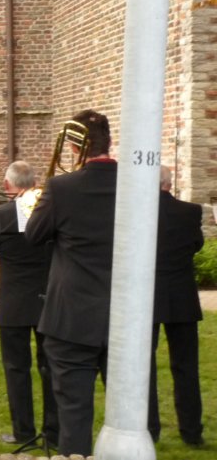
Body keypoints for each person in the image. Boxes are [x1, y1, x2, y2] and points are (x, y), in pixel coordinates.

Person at [25, 109, 115, 457]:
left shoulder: (61, 186)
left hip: (71, 314)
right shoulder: (137, 183)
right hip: (126, 315)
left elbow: (34, 235)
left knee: (74, 411)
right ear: (110, 141)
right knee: (134, 407)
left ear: (74, 148)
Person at [0, 161, 57, 446]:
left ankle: (23, 432)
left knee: (16, 368)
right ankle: (53, 433)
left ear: (8, 186)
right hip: (48, 299)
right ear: (33, 183)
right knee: (51, 366)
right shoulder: (50, 213)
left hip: (13, 303)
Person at [148, 165, 205, 446]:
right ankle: (192, 431)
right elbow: (196, 244)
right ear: (170, 184)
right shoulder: (190, 212)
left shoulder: (139, 213)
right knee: (186, 366)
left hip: (147, 297)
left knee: (144, 365)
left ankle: (150, 429)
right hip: (182, 295)